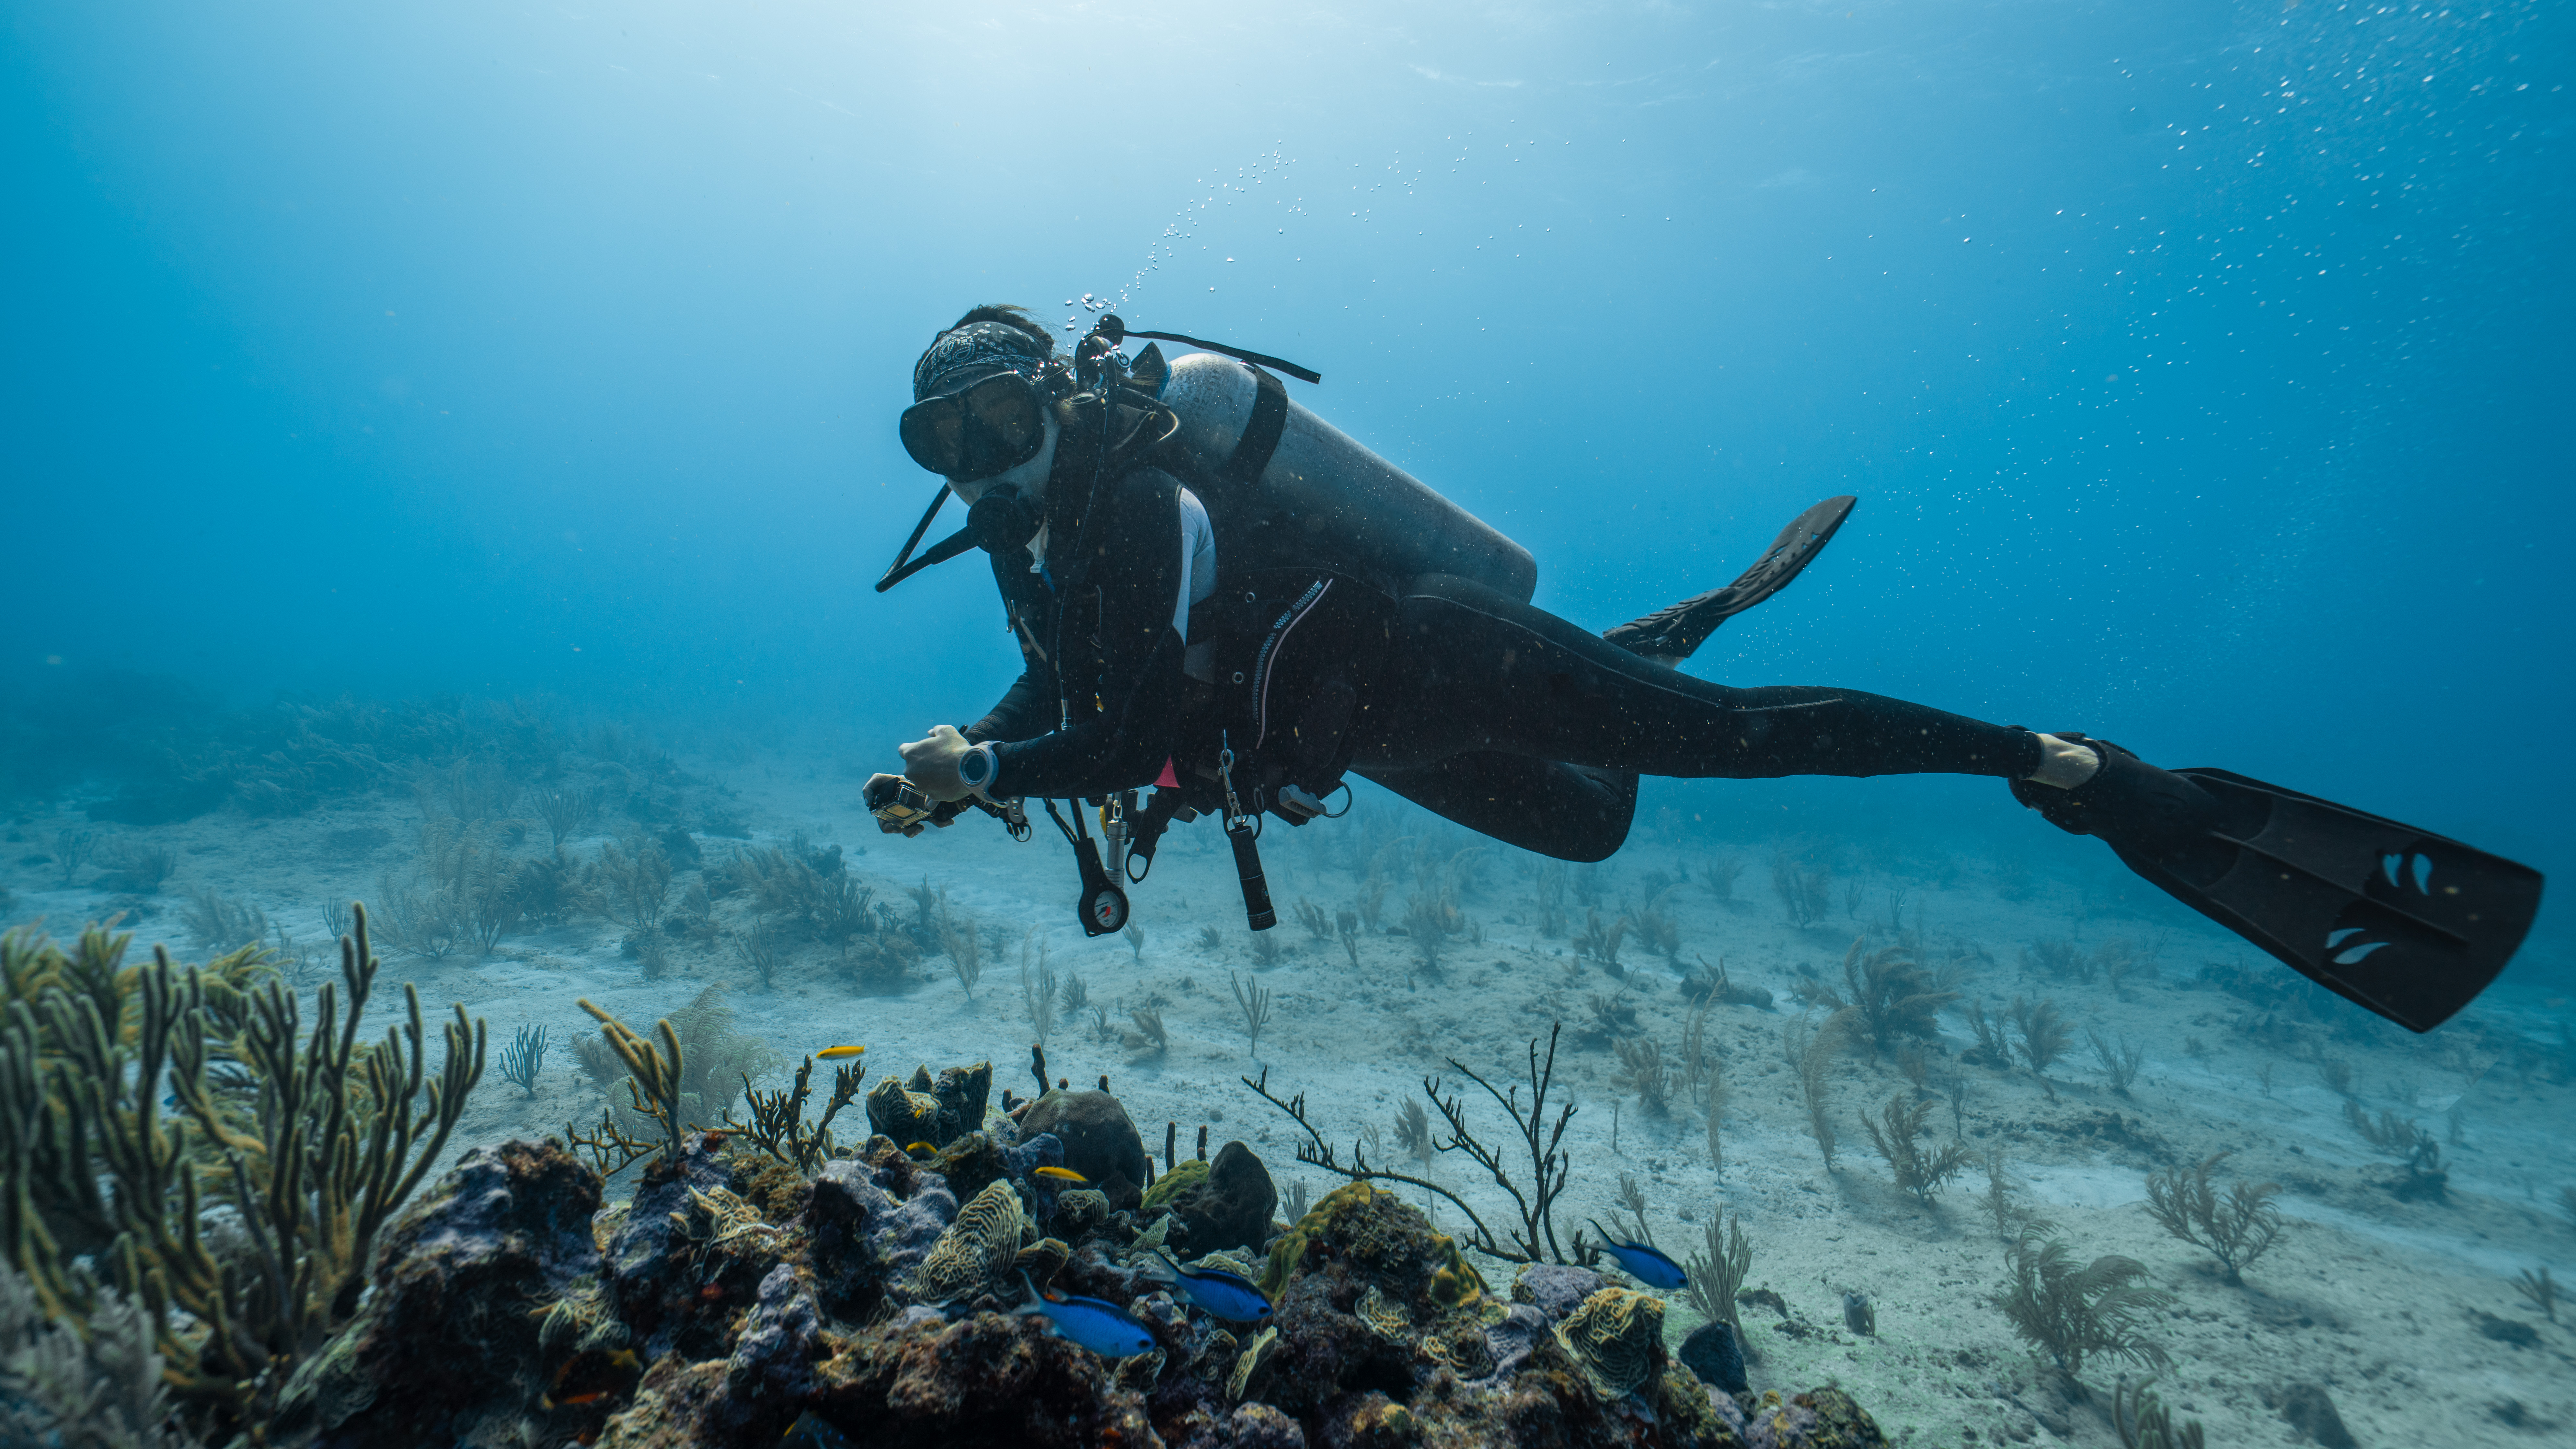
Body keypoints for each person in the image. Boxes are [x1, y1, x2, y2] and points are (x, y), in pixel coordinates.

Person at [868, 305, 2538, 1034]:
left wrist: (996, 772)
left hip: (1431, 651)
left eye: (1000, 421)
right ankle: (1643, 646)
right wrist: (977, 741)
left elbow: (1125, 731)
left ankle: (2064, 765)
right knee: (1596, 826)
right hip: (1362, 734)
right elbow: (1072, 691)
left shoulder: (1137, 500)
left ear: (1058, 401)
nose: (983, 462)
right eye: (947, 442)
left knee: (1732, 741)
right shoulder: (1041, 543)